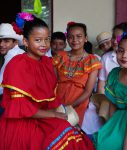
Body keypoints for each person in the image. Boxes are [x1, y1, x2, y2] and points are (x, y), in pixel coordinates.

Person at [0, 12, 95, 150]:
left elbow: (49, 96)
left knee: (74, 134)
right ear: (25, 42)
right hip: (23, 122)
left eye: (46, 39)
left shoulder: (46, 62)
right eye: (38, 40)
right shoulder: (18, 64)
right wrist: (53, 114)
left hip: (42, 116)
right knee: (64, 134)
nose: (44, 44)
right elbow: (21, 107)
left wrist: (57, 112)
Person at [53, 22, 102, 126]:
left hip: (78, 100)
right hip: (58, 99)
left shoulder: (92, 60)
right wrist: (59, 105)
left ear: (85, 38)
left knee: (71, 130)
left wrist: (69, 106)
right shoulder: (59, 57)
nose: (75, 40)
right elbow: (53, 82)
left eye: (79, 36)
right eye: (71, 37)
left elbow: (88, 91)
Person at [0, 23, 24, 96]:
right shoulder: (18, 53)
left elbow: (1, 84)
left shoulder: (13, 55)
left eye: (6, 41)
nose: (1, 44)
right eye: (0, 41)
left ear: (16, 42)